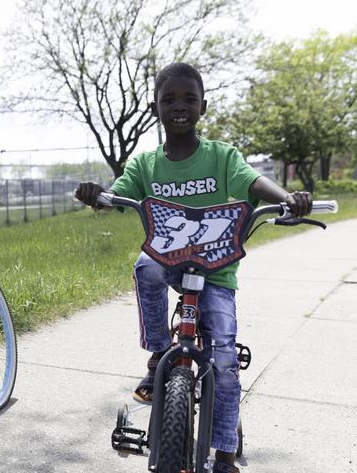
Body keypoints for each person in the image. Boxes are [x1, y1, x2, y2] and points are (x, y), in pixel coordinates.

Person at [75, 62, 312, 473]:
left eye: (188, 99)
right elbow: (119, 194)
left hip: (216, 272)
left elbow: (253, 182)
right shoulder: (146, 164)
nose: (179, 106)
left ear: (203, 105)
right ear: (155, 108)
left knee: (223, 360)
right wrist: (99, 195)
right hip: (169, 262)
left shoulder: (222, 157)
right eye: (169, 100)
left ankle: (223, 454)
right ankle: (158, 352)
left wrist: (287, 197)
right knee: (145, 266)